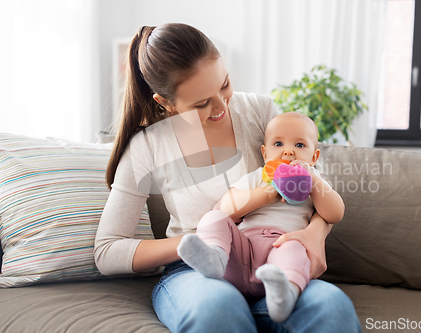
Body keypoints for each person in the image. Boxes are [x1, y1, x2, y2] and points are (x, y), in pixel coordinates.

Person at [94, 23, 361, 333]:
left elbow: (313, 186)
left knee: (332, 310)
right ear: (165, 103)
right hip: (198, 273)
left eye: (224, 84)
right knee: (218, 310)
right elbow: (108, 251)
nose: (222, 107)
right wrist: (201, 242)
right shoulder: (149, 146)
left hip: (276, 260)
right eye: (201, 103)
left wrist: (316, 232)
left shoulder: (260, 111)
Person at [177, 111, 345, 323]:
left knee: (295, 247)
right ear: (265, 154)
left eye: (300, 145)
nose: (288, 152)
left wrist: (313, 182)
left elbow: (336, 213)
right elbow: (227, 206)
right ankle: (215, 257)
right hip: (243, 251)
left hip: (282, 247)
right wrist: (267, 193)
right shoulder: (258, 177)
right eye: (278, 144)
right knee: (214, 217)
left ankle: (286, 293)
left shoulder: (314, 182)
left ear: (314, 157)